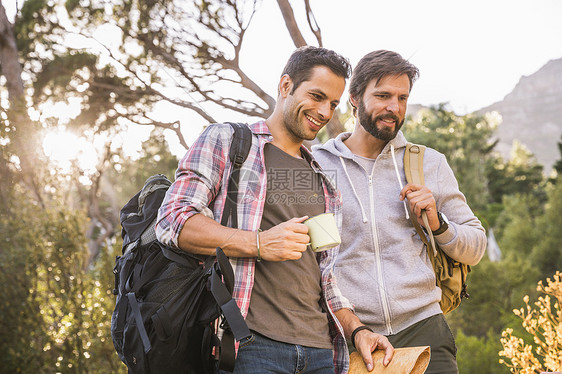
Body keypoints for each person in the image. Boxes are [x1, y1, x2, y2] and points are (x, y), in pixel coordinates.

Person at [156, 46, 393, 374]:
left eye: (333, 104)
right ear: (285, 86)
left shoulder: (323, 180)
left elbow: (326, 272)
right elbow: (173, 220)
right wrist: (259, 243)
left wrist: (357, 330)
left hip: (322, 354)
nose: (324, 112)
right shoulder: (227, 141)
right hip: (252, 346)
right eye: (316, 96)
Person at [312, 50, 487, 373]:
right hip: (349, 335)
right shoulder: (317, 165)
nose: (394, 107)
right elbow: (311, 259)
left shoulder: (428, 163)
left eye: (402, 97)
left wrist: (437, 222)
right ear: (354, 97)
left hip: (425, 329)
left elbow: (476, 247)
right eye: (382, 96)